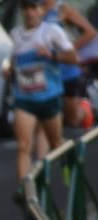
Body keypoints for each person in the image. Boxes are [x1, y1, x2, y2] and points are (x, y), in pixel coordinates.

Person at [11, 0, 79, 182]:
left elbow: (74, 58)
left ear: (41, 10)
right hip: (24, 98)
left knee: (55, 142)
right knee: (23, 146)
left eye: (33, 8)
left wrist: (52, 55)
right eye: (26, 8)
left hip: (49, 96)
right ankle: (24, 190)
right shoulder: (15, 34)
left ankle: (69, 160)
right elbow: (13, 62)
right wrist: (8, 70)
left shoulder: (51, 31)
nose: (29, 12)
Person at [41, 0, 97, 133]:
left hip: (66, 68)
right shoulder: (35, 9)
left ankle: (85, 109)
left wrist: (70, 49)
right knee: (45, 114)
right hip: (46, 68)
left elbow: (90, 32)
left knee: (72, 119)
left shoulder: (63, 9)